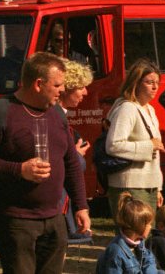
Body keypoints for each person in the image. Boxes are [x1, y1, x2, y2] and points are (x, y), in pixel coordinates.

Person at [0, 52, 91, 273]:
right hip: (16, 220)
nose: (62, 90)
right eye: (57, 85)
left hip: (54, 218)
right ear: (38, 84)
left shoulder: (56, 113)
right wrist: (19, 170)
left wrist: (81, 206)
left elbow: (71, 162)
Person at [105, 58, 165, 213]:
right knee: (132, 235)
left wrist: (157, 187)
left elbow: (155, 154)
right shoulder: (126, 108)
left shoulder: (150, 110)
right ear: (136, 82)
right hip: (129, 186)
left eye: (157, 82)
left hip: (148, 185)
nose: (154, 87)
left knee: (145, 234)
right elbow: (113, 145)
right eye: (149, 82)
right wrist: (149, 145)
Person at [58, 58, 94, 244]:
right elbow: (66, 164)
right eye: (81, 87)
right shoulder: (55, 116)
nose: (85, 92)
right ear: (68, 87)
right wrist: (76, 156)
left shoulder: (61, 116)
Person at [96, 192, 158, 273]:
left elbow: (149, 260)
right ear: (139, 226)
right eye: (148, 224)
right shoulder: (116, 251)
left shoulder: (139, 242)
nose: (151, 227)